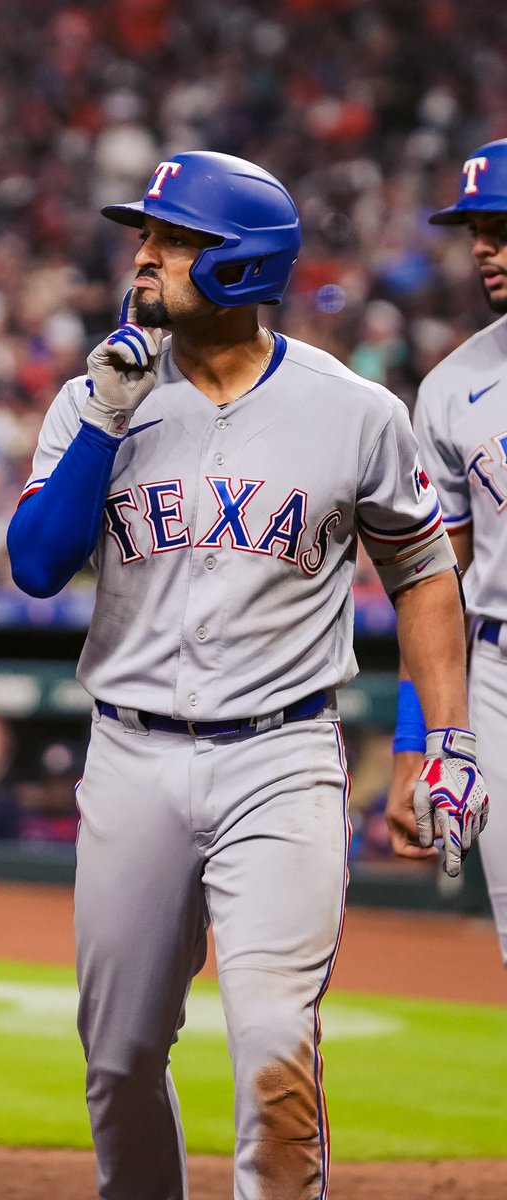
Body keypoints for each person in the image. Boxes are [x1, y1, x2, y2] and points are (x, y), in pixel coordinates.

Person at [7, 151, 489, 1200]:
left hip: (282, 756)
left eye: (171, 240)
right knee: (120, 1057)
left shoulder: (353, 409)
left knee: (273, 1040)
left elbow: (424, 574)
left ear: (238, 264)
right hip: (130, 755)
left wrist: (438, 743)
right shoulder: (97, 399)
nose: (143, 256)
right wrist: (104, 416)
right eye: (146, 236)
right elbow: (37, 567)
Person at [388, 138, 507, 963]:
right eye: (475, 229)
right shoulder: (455, 387)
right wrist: (415, 742)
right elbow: (435, 583)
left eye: (502, 225)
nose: (483, 248)